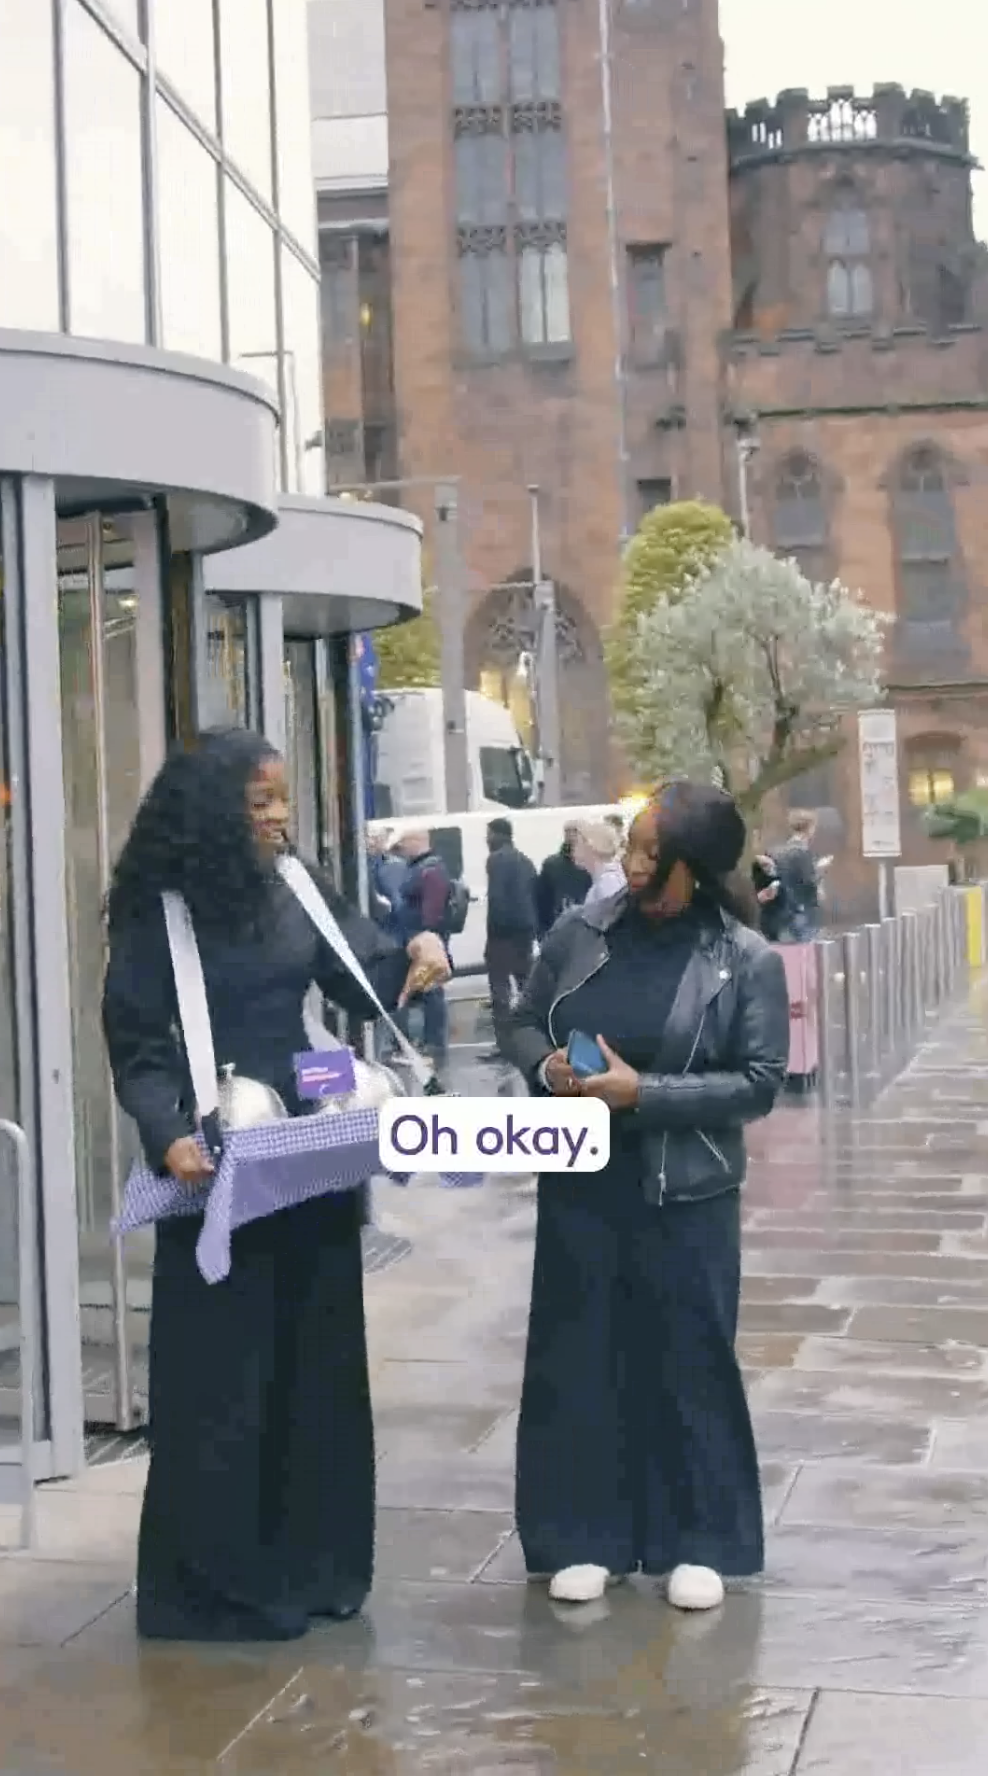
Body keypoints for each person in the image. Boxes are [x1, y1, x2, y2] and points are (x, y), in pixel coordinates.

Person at [102, 728, 449, 1642]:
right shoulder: (157, 913)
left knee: (313, 1364)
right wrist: (168, 1136)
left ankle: (316, 1568)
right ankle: (214, 1589)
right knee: (223, 1381)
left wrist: (416, 954)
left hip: (309, 1151)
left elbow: (365, 974)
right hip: (218, 1158)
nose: (280, 817)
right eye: (261, 803)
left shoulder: (296, 883)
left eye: (282, 800)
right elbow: (137, 1048)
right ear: (213, 814)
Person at [503, 780, 789, 1611]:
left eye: (648, 853)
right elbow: (520, 1021)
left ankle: (699, 1542)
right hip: (581, 1183)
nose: (629, 864)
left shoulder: (745, 959)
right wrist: (546, 1065)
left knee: (689, 1361)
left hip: (687, 1193)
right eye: (629, 845)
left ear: (693, 869)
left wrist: (645, 1094)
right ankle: (584, 1537)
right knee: (578, 1356)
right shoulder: (579, 931)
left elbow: (759, 1082)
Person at [394, 829, 452, 1066]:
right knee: (425, 990)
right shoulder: (422, 868)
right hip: (418, 939)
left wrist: (426, 933)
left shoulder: (430, 869)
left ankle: (434, 1045)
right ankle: (426, 1043)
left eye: (404, 844)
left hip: (425, 940)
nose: (402, 849)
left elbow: (433, 907)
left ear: (417, 842)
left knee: (431, 990)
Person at [485, 817, 539, 1053]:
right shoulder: (525, 860)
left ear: (497, 834)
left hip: (502, 934)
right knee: (527, 984)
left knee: (500, 988)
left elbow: (496, 898)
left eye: (489, 834)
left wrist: (494, 932)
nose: (486, 839)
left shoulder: (496, 860)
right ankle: (532, 1038)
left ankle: (505, 1044)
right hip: (524, 932)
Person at [772, 809, 822, 942]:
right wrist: (820, 869)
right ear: (808, 828)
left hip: (786, 908)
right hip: (803, 909)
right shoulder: (802, 851)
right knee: (808, 947)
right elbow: (809, 881)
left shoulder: (782, 851)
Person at [535, 823, 592, 936]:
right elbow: (541, 900)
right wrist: (542, 932)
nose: (572, 835)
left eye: (575, 831)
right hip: (557, 926)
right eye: (568, 831)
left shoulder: (591, 864)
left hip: (586, 927)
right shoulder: (551, 864)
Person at [367, 827, 408, 942]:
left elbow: (398, 902)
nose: (371, 842)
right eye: (369, 837)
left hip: (389, 929)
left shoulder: (393, 867)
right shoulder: (364, 865)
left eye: (375, 838)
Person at [575, 819, 626, 909]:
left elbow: (612, 914)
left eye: (578, 843)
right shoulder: (605, 878)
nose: (574, 848)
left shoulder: (608, 881)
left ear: (590, 846)